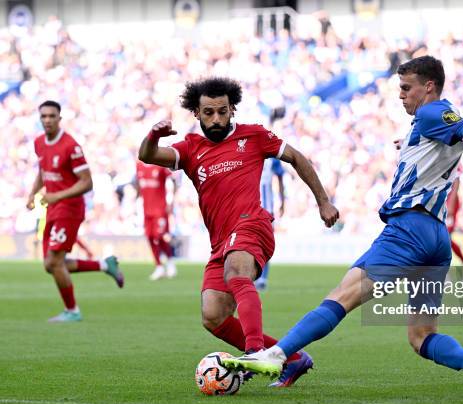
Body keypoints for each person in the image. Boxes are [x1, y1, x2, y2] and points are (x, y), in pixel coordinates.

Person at [222, 56, 463, 397]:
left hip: (408, 230)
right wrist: (410, 144)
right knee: (421, 336)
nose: (400, 95)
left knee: (341, 296)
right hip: (436, 237)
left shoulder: (433, 113)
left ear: (428, 86)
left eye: (406, 88)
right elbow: (446, 140)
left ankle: (276, 354)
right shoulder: (427, 127)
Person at [138, 77, 339, 386]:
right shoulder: (191, 148)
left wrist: (323, 201)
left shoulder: (255, 136)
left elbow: (297, 157)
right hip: (221, 241)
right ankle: (293, 358)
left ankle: (256, 351)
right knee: (213, 316)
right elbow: (148, 156)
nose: (216, 119)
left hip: (252, 224)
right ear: (196, 113)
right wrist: (153, 135)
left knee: (236, 272)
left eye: (222, 111)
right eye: (208, 113)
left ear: (232, 109)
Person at [26, 100, 125, 322]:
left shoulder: (71, 146)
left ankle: (73, 311)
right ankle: (103, 264)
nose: (48, 120)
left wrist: (58, 195)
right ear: (40, 119)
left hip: (69, 208)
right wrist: (33, 193)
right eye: (44, 116)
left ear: (60, 119)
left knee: (53, 262)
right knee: (51, 265)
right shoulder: (39, 143)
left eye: (52, 116)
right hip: (52, 207)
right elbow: (44, 171)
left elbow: (87, 182)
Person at [136, 161, 177, 280]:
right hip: (146, 209)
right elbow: (139, 183)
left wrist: (171, 201)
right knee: (149, 237)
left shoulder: (160, 165)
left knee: (159, 236)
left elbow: (172, 181)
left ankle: (169, 262)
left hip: (160, 209)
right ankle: (159, 266)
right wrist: (137, 199)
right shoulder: (139, 165)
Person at [254, 157, 285, 290]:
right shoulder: (248, 150)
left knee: (264, 244)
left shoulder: (272, 157)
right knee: (251, 243)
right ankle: (254, 275)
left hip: (267, 209)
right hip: (251, 207)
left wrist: (283, 201)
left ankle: (262, 278)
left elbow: (280, 177)